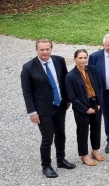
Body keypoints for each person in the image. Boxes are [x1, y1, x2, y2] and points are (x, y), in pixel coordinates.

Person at [21, 39, 75, 178]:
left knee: (61, 134)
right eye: (42, 49)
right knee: (47, 138)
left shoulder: (59, 61)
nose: (45, 52)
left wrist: (67, 99)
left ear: (51, 49)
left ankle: (61, 160)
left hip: (60, 105)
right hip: (42, 109)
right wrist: (32, 112)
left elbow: (64, 81)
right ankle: (46, 166)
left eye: (47, 49)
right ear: (36, 50)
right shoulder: (28, 68)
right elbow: (27, 92)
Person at [65, 49, 104, 166]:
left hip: (95, 103)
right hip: (82, 107)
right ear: (75, 59)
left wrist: (99, 103)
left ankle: (95, 149)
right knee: (83, 131)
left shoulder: (93, 70)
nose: (83, 60)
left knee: (96, 127)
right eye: (80, 58)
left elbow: (100, 87)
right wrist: (85, 109)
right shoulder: (70, 76)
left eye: (85, 58)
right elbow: (72, 97)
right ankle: (84, 154)